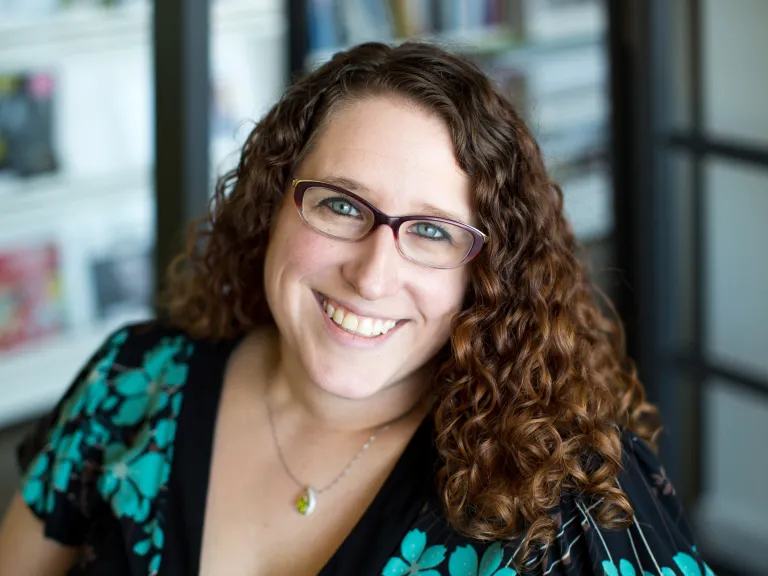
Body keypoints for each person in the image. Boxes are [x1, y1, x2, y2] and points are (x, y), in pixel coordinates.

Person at [0, 42, 714, 576]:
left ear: (489, 272)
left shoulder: (567, 495)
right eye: (342, 205)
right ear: (273, 202)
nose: (373, 275)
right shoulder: (129, 382)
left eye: (432, 231)